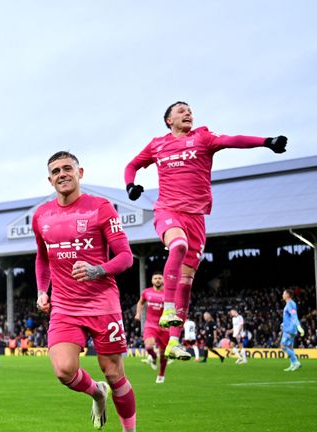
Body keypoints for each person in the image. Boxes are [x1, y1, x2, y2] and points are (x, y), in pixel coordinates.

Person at [124, 101, 287, 360]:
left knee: (187, 283)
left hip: (196, 219)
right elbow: (131, 165)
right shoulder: (157, 144)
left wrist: (266, 141)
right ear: (169, 120)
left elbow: (235, 139)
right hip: (168, 210)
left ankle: (174, 343)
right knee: (178, 245)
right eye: (181, 110)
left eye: (189, 110)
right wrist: (130, 185)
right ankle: (168, 309)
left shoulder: (203, 137)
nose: (188, 113)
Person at [35, 151, 136, 431]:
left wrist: (97, 270)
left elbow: (126, 257)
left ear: (80, 173)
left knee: (114, 373)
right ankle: (96, 392)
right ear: (49, 179)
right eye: (56, 171)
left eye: (68, 168)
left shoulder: (100, 207)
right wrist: (43, 290)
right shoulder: (42, 215)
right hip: (65, 308)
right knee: (63, 370)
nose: (62, 174)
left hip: (102, 304)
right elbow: (42, 258)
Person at [134, 272, 172, 382]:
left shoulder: (169, 294)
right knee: (149, 346)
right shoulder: (146, 292)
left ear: (163, 280)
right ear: (152, 281)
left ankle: (161, 374)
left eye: (160, 278)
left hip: (164, 326)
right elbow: (140, 303)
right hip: (150, 325)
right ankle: (154, 358)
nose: (158, 280)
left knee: (164, 353)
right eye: (155, 278)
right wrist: (138, 314)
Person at [280, 289, 304, 371]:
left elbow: (294, 316)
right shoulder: (288, 304)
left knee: (283, 346)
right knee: (290, 347)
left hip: (289, 330)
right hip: (288, 328)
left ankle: (296, 362)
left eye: (283, 293)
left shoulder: (290, 304)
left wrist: (298, 326)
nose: (282, 295)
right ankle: (292, 364)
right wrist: (284, 323)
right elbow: (289, 317)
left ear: (287, 295)